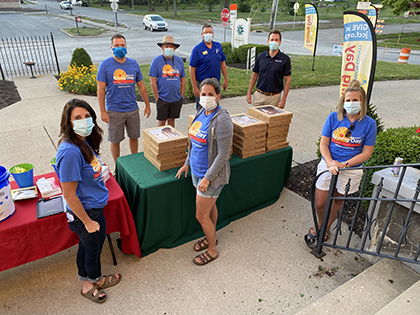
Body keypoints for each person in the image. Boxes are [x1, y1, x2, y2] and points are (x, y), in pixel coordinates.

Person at [56, 99, 121, 303]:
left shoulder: (82, 141)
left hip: (94, 208)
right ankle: (90, 284)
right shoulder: (69, 151)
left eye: (86, 116)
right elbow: (69, 194)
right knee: (92, 250)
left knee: (88, 247)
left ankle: (91, 278)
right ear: (68, 122)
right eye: (77, 118)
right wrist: (87, 221)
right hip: (85, 213)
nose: (83, 121)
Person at [305, 81, 377, 246]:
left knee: (338, 200)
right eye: (348, 100)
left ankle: (324, 228)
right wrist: (330, 162)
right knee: (320, 202)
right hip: (329, 164)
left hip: (350, 168)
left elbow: (367, 152)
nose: (351, 103)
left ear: (363, 102)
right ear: (343, 101)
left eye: (355, 100)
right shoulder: (333, 118)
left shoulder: (369, 124)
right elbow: (323, 144)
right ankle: (321, 223)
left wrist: (344, 164)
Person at [176, 78, 233, 266]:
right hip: (197, 173)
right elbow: (193, 142)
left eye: (211, 94)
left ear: (218, 95)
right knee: (209, 209)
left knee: (201, 216)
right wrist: (187, 163)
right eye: (203, 94)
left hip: (211, 177)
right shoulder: (201, 112)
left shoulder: (222, 119)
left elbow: (224, 155)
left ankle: (212, 249)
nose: (207, 97)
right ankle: (212, 237)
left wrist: (208, 178)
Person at [97, 34, 151, 163]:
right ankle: (118, 166)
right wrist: (103, 111)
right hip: (114, 110)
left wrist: (147, 105)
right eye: (116, 45)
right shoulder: (105, 65)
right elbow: (100, 90)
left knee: (134, 137)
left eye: (122, 45)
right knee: (115, 140)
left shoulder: (133, 64)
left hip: (132, 109)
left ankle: (134, 162)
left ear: (126, 46)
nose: (120, 48)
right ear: (111, 47)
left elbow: (142, 86)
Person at [246, 30, 292, 108]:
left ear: (280, 42)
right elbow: (254, 75)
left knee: (271, 120)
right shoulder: (261, 57)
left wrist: (283, 100)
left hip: (274, 98)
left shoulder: (285, 59)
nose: (274, 42)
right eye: (272, 39)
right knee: (256, 119)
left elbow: (287, 80)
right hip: (259, 96)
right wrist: (249, 92)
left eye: (276, 40)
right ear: (268, 41)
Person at [149, 35, 186, 128]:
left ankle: (171, 140)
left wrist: (181, 95)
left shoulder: (179, 61)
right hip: (163, 98)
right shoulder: (156, 61)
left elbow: (182, 79)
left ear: (174, 48)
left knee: (172, 121)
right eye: (166, 46)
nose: (169, 48)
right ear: (162, 47)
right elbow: (153, 82)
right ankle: (160, 141)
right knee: (161, 122)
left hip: (176, 98)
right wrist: (157, 98)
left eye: (171, 46)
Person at [189, 25, 228, 109]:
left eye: (210, 32)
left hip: (215, 83)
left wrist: (225, 80)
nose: (208, 34)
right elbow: (192, 68)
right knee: (202, 108)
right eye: (206, 33)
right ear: (202, 35)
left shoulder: (218, 46)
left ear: (213, 34)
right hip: (202, 83)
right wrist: (195, 86)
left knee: (214, 106)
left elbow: (223, 63)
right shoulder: (197, 49)